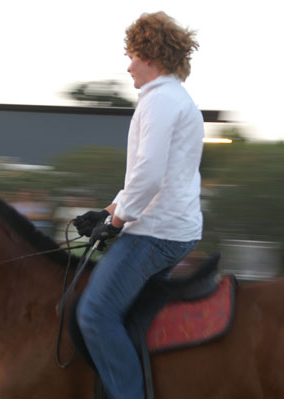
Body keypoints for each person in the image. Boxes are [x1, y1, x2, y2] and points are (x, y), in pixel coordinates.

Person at [74, 11, 204, 399]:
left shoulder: (160, 101)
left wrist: (119, 222)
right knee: (130, 315)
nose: (128, 64)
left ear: (151, 56)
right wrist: (110, 210)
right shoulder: (172, 99)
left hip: (155, 234)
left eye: (132, 54)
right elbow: (151, 176)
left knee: (94, 313)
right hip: (172, 229)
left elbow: (148, 174)